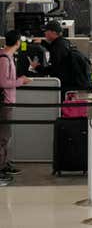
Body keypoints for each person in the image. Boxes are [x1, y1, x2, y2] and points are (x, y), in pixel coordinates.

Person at [0, 30, 32, 185]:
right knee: (3, 136)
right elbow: (3, 83)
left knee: (6, 136)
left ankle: (4, 165)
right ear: (18, 42)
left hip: (8, 101)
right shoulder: (4, 59)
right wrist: (21, 81)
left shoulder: (8, 57)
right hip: (4, 103)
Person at [29, 21, 73, 95]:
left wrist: (37, 67)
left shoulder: (58, 47)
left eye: (47, 31)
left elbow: (54, 69)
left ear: (53, 32)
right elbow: (53, 48)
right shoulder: (63, 42)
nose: (45, 33)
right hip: (67, 81)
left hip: (63, 84)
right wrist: (43, 42)